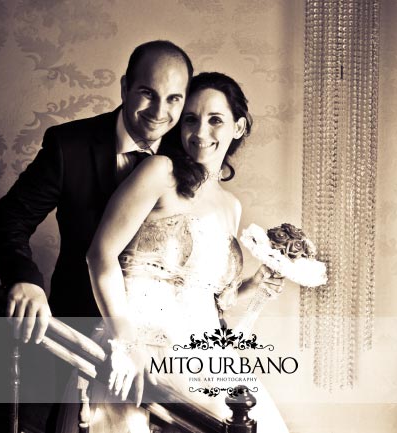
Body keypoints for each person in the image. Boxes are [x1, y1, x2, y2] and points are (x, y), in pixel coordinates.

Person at [57, 72, 289, 433]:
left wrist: (254, 284)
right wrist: (127, 343)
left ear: (239, 127)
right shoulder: (160, 171)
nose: (200, 132)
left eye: (215, 120)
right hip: (141, 344)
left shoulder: (231, 206)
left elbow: (213, 299)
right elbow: (100, 255)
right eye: (191, 119)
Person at [0, 40, 193, 344]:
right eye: (148, 93)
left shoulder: (189, 154)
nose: (159, 111)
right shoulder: (69, 146)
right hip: (78, 328)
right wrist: (24, 278)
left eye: (173, 98)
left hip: (161, 335)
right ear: (124, 88)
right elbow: (9, 219)